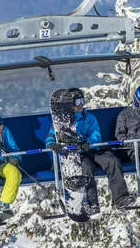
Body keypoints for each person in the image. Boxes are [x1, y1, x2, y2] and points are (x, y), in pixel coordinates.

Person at [46, 87, 135, 217]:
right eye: (77, 102)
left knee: (113, 161)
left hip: (93, 150)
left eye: (82, 101)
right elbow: (51, 136)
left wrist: (88, 142)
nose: (80, 104)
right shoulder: (62, 122)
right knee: (87, 168)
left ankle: (121, 198)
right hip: (78, 155)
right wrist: (52, 144)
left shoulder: (89, 118)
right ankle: (92, 204)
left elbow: (96, 134)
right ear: (70, 105)